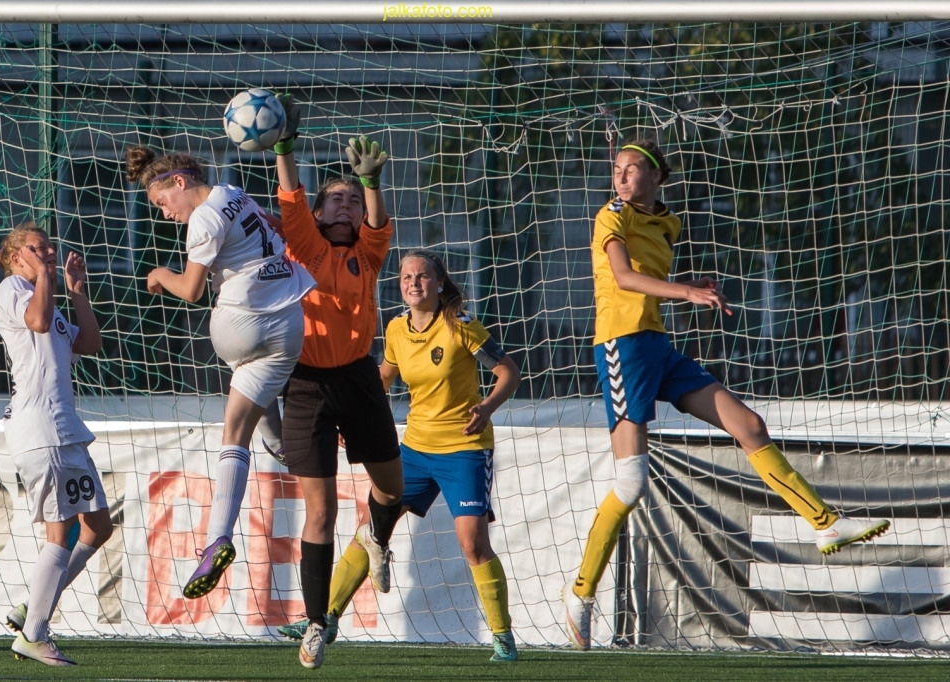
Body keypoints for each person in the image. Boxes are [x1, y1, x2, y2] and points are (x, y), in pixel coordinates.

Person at [562, 138, 891, 651]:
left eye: (633, 169)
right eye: (617, 168)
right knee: (630, 484)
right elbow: (623, 279)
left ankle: (826, 525)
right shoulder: (612, 214)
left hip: (656, 347)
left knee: (749, 425)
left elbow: (647, 276)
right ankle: (580, 595)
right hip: (621, 348)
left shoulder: (666, 222)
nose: (621, 176)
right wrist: (687, 292)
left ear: (658, 177)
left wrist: (688, 281)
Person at [277, 249, 522, 662]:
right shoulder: (395, 330)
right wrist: (347, 416)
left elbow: (508, 371)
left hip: (464, 447)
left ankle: (503, 638)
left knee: (472, 543)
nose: (413, 282)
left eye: (422, 276)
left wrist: (487, 408)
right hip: (414, 447)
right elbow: (381, 380)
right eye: (406, 276)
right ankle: (324, 618)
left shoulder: (461, 326)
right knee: (373, 525)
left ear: (439, 283)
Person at [125, 144, 316, 600]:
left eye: (162, 203)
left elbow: (191, 290)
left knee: (234, 430)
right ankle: (273, 449)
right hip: (289, 321)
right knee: (246, 416)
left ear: (179, 182)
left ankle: (219, 538)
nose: (166, 214)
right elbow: (270, 221)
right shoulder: (233, 190)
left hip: (241, 320)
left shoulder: (203, 219)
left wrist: (159, 274)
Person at [270, 97, 405, 669]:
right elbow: (290, 198)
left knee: (393, 490)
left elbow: (377, 224)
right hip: (304, 385)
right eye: (337, 198)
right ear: (321, 214)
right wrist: (283, 148)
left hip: (359, 378)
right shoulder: (303, 245)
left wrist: (372, 181)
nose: (347, 203)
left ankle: (376, 536)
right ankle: (318, 623)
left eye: (353, 197)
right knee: (319, 511)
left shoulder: (368, 257)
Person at [0, 223, 114, 666]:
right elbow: (38, 322)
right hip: (40, 429)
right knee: (60, 532)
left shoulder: (48, 299)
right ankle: (34, 632)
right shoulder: (13, 289)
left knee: (99, 526)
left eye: (49, 246)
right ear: (13, 258)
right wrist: (44, 275)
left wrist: (77, 291)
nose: (47, 251)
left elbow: (89, 342)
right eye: (35, 247)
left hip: (64, 429)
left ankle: (33, 609)